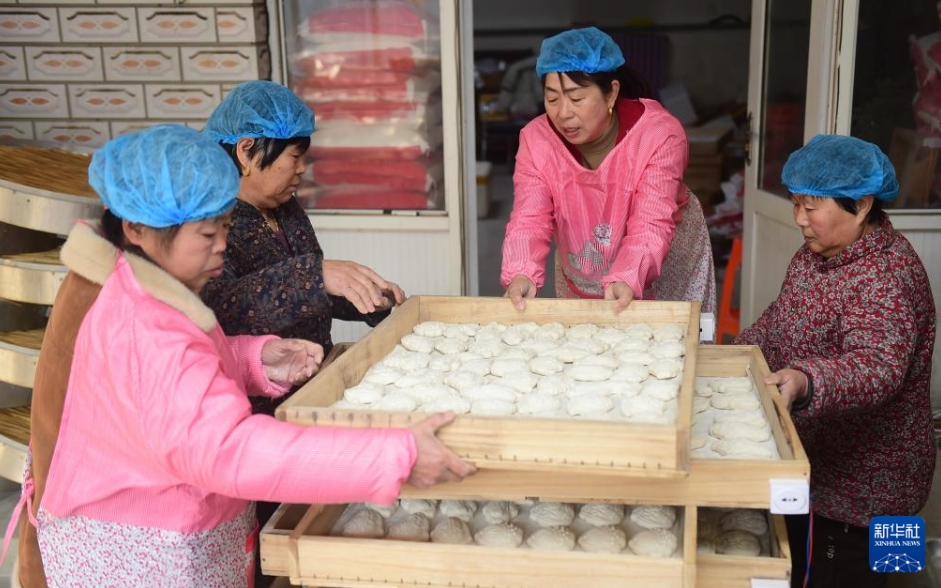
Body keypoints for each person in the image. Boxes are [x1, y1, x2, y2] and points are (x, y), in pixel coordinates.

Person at [6, 125, 473, 587]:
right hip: (146, 554)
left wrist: (253, 358)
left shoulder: (133, 284)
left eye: (226, 226)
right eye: (208, 233)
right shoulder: (147, 325)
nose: (223, 245)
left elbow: (161, 387)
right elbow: (230, 450)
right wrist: (394, 456)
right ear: (137, 229)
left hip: (169, 530)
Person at [734, 134, 936, 588]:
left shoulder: (886, 276)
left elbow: (876, 367)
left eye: (812, 208)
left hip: (868, 484)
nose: (799, 220)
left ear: (862, 205)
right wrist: (740, 350)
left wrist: (808, 380)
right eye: (795, 204)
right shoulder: (817, 255)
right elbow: (782, 319)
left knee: (863, 570)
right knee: (852, 571)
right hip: (821, 462)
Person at [200, 80, 406, 416]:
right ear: (246, 150)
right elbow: (221, 309)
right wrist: (314, 275)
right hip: (258, 408)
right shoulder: (213, 222)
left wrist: (363, 298)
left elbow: (309, 294)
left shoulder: (285, 209)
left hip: (313, 386)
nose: (302, 168)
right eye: (295, 156)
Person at [501, 27, 716, 315]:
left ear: (612, 93)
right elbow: (529, 218)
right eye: (552, 99)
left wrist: (628, 274)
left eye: (576, 99)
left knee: (664, 347)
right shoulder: (537, 140)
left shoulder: (658, 135)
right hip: (586, 257)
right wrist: (522, 272)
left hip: (661, 259)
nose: (563, 113)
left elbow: (651, 222)